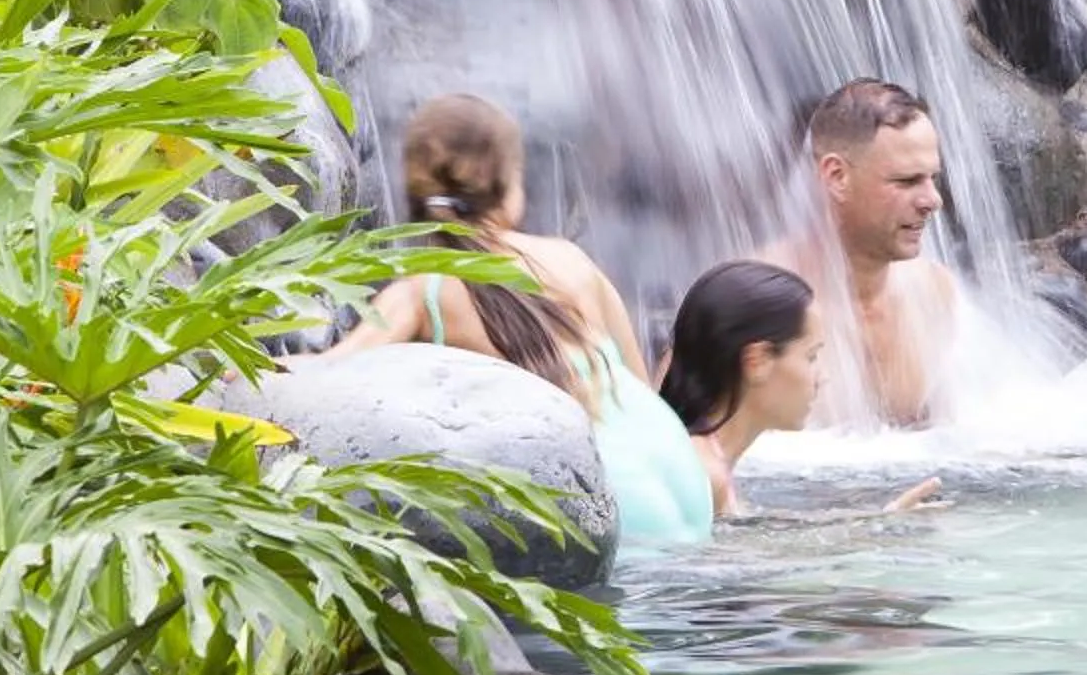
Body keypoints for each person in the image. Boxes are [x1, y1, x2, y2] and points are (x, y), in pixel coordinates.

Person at [334, 94, 716, 546]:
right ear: (508, 186)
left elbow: (336, 373)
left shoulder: (425, 293)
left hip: (613, 522)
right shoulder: (572, 262)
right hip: (688, 492)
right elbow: (640, 390)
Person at [659, 259, 945, 516]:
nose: (823, 377)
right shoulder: (703, 476)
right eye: (811, 356)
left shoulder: (703, 462)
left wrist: (882, 520)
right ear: (757, 361)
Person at [773, 78, 960, 428]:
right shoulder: (749, 305)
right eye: (906, 181)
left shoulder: (935, 292)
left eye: (932, 178)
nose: (933, 200)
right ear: (837, 176)